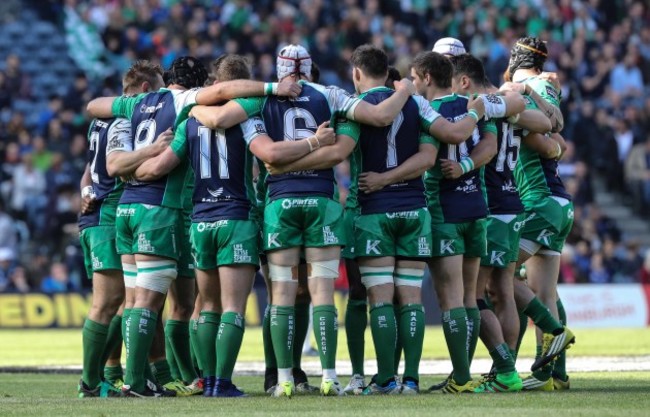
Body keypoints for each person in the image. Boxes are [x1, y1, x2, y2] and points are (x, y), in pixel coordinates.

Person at [190, 44, 418, 397]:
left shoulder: (258, 101)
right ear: (311, 69)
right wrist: (403, 89)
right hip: (322, 201)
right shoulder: (330, 94)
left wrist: (192, 107)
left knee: (280, 294)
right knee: (321, 293)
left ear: (279, 71)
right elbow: (378, 118)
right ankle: (330, 376)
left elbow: (243, 137)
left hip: (279, 203)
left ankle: (281, 380)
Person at [87, 56, 300, 398]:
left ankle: (128, 376)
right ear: (205, 86)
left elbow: (148, 161)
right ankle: (211, 381)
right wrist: (312, 140)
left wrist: (135, 171)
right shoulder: (229, 108)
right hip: (215, 214)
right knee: (219, 305)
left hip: (180, 216)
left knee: (187, 305)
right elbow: (268, 152)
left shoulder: (162, 113)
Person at [448, 53, 552, 393]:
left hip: (491, 205)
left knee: (475, 294)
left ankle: (499, 370)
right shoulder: (507, 101)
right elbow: (548, 127)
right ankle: (503, 371)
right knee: (502, 291)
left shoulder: (479, 104)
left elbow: (548, 131)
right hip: (513, 202)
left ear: (464, 80)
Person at [338, 45, 439, 395]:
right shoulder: (416, 105)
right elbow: (428, 157)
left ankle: (383, 379)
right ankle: (410, 380)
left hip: (373, 211)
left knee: (378, 298)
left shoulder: (356, 110)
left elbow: (341, 151)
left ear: (356, 74)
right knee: (411, 298)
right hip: (415, 209)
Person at [77, 60, 170, 398]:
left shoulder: (102, 120)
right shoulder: (126, 118)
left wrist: (85, 189)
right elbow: (115, 166)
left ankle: (123, 373)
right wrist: (154, 149)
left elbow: (91, 166)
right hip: (105, 217)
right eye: (159, 88)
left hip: (101, 215)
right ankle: (90, 381)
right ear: (146, 89)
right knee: (110, 301)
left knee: (123, 302)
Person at [410, 51, 497, 394]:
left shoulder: (427, 112)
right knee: (470, 299)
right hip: (477, 207)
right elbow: (489, 145)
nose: (414, 85)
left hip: (444, 211)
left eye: (415, 79)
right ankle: (465, 373)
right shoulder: (477, 103)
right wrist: (466, 168)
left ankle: (461, 377)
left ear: (427, 78)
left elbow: (431, 153)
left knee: (451, 299)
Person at [502, 37, 576, 391]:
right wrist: (554, 143)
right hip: (559, 203)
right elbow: (555, 130)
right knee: (544, 292)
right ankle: (552, 375)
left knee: (500, 273)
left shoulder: (520, 87)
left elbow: (544, 136)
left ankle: (553, 333)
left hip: (538, 200)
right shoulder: (545, 86)